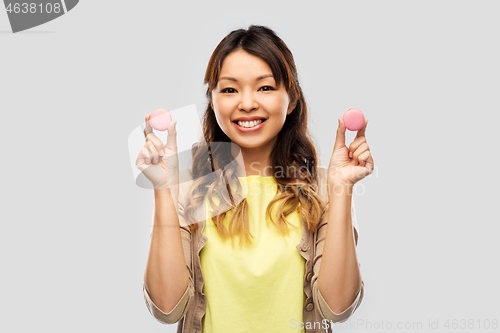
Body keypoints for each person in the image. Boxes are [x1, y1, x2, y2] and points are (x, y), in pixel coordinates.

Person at [136, 25, 374, 333]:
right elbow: (167, 309)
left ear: (291, 101)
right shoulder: (187, 190)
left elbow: (338, 307)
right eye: (230, 89)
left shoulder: (324, 190)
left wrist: (342, 190)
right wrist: (163, 187)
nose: (247, 103)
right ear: (213, 101)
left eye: (264, 87)